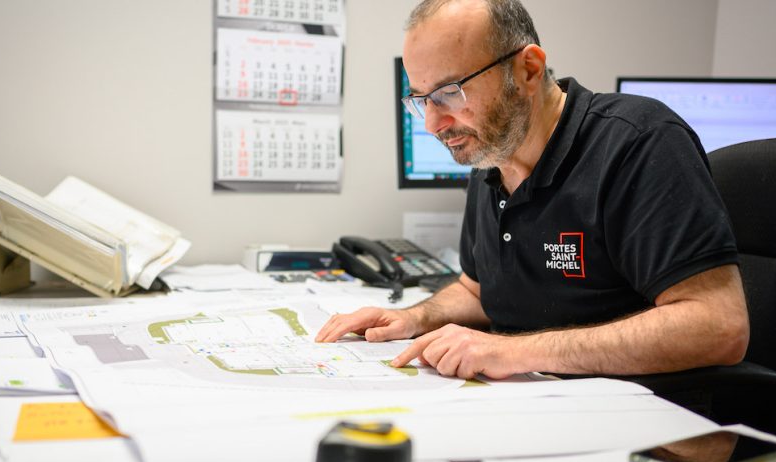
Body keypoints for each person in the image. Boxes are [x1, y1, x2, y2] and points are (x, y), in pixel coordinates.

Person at [316, 0, 749, 380]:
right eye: (420, 99)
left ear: (527, 69)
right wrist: (412, 318)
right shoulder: (490, 157)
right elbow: (478, 290)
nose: (432, 124)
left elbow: (718, 326)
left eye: (449, 92)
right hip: (534, 404)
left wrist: (515, 351)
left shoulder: (637, 142)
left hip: (646, 423)